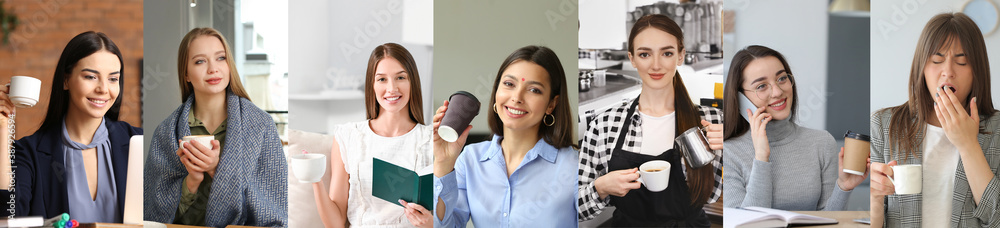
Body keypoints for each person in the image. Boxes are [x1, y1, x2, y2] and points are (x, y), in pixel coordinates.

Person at [577, 14, 723, 227]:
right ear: (632, 58)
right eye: (645, 54)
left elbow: (734, 194)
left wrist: (733, 148)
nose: (656, 65)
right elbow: (575, 208)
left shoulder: (711, 121)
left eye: (667, 53)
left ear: (680, 56)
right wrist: (600, 188)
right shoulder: (604, 125)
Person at [144, 27, 286, 227]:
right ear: (186, 73)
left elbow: (274, 211)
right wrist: (191, 182)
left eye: (220, 58)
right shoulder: (165, 133)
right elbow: (152, 215)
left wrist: (217, 170)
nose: (213, 69)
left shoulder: (261, 126)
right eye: (200, 61)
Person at [870, 12, 1000, 227]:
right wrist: (874, 199)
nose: (947, 72)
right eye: (937, 60)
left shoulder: (996, 129)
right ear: (921, 67)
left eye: (962, 62)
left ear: (977, 70)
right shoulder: (884, 125)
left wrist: (968, 145)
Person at [0, 31, 141, 222]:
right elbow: (9, 217)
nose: (103, 89)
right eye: (91, 77)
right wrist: (2, 128)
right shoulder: (29, 153)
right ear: (66, 80)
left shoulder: (137, 142)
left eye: (113, 79)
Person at [433, 45, 578, 227]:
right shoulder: (470, 159)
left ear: (551, 104)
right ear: (496, 92)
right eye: (509, 84)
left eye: (534, 90)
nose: (517, 97)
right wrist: (444, 162)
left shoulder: (573, 167)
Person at [722, 45, 867, 211]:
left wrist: (843, 187)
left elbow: (829, 222)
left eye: (782, 78)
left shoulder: (821, 143)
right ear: (740, 98)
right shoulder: (729, 152)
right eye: (761, 86)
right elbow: (745, 223)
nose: (777, 92)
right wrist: (761, 156)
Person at [311, 43, 434, 228]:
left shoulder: (431, 139)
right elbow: (335, 223)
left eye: (400, 77)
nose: (392, 88)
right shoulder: (348, 136)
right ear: (372, 85)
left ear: (412, 82)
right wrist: (315, 178)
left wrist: (432, 224)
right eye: (382, 79)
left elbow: (450, 215)